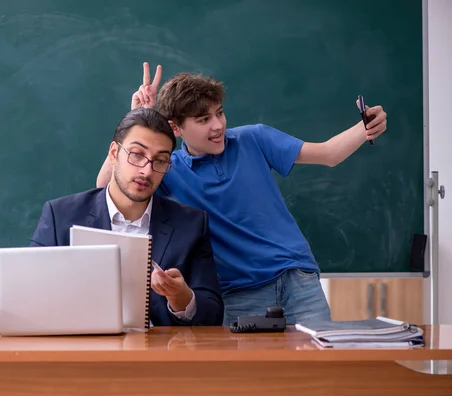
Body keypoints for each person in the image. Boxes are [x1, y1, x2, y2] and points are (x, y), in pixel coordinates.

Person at [96, 63, 388, 325]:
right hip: (237, 293)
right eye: (203, 119)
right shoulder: (170, 168)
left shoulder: (254, 138)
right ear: (176, 129)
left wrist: (366, 128)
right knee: (246, 382)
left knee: (318, 373)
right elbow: (105, 186)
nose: (217, 125)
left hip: (298, 279)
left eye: (219, 113)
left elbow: (329, 153)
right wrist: (137, 118)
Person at [30, 108, 224, 326]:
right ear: (114, 153)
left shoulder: (190, 224)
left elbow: (213, 314)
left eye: (160, 160)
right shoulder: (61, 216)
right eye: (137, 155)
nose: (146, 171)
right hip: (81, 349)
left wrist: (182, 298)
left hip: (159, 354)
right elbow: (30, 294)